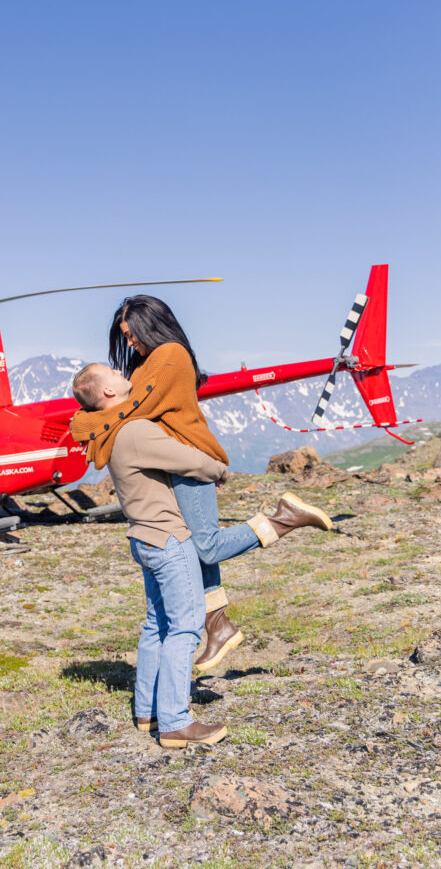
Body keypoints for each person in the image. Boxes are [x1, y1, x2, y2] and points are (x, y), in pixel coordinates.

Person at [71, 363, 334, 747]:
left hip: (143, 538)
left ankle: (148, 711)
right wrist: (218, 470)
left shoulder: (108, 432)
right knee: (186, 627)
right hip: (167, 540)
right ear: (108, 393)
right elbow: (187, 460)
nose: (119, 370)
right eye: (110, 371)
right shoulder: (134, 430)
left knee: (156, 624)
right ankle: (176, 721)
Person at [75, 294, 333, 673]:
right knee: (193, 548)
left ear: (150, 324)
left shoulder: (170, 355)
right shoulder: (147, 362)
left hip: (189, 461)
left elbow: (133, 411)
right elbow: (124, 413)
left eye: (131, 334)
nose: (128, 343)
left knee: (206, 547)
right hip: (169, 463)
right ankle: (219, 626)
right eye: (125, 337)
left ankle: (283, 518)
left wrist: (86, 421)